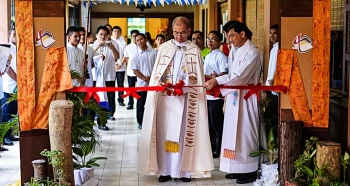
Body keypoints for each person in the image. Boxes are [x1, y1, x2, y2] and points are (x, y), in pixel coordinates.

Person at [137, 16, 214, 183]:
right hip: (166, 99)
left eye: (183, 33)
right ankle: (165, 170)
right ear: (173, 31)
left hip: (186, 99)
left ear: (188, 31)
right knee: (163, 133)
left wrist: (185, 85)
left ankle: (184, 172)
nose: (179, 36)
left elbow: (197, 77)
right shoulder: (164, 48)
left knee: (183, 134)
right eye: (176, 33)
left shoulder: (194, 49)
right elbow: (158, 74)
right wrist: (165, 84)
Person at [204, 22, 263, 184]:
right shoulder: (235, 51)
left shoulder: (253, 53)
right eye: (228, 36)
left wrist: (217, 81)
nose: (229, 39)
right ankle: (237, 168)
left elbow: (240, 76)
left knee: (245, 134)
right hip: (233, 98)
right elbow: (231, 73)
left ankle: (250, 170)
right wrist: (218, 79)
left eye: (232, 35)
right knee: (232, 134)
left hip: (246, 99)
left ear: (242, 34)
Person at [204, 30, 227, 159]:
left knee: (216, 122)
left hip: (216, 94)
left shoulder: (221, 56)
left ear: (219, 42)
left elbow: (224, 73)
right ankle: (211, 146)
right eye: (209, 39)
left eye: (213, 39)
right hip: (207, 93)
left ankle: (218, 148)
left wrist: (216, 77)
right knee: (208, 122)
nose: (210, 41)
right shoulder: (208, 55)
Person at [91, 25, 120, 128]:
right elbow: (90, 59)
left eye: (105, 35)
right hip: (95, 78)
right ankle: (91, 123)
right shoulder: (92, 45)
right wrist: (98, 46)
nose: (103, 37)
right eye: (100, 34)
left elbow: (117, 57)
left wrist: (112, 48)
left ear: (108, 35)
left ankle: (102, 123)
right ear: (96, 35)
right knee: (94, 100)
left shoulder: (114, 44)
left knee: (105, 101)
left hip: (109, 77)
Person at [130, 33, 157, 130]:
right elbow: (135, 70)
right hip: (142, 84)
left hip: (154, 83)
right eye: (137, 40)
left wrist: (152, 78)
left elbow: (158, 66)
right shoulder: (136, 56)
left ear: (145, 39)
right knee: (140, 104)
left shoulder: (154, 52)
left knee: (153, 104)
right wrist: (144, 78)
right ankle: (140, 122)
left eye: (141, 39)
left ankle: (152, 122)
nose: (140, 41)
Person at [1, 28, 18, 146]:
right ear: (9, 36)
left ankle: (11, 133)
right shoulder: (6, 49)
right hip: (9, 84)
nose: (16, 37)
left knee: (14, 112)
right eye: (14, 34)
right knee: (6, 112)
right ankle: (4, 136)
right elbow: (7, 68)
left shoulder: (20, 48)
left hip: (18, 85)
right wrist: (18, 79)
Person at [122, 29, 139, 110]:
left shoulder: (142, 46)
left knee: (140, 88)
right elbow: (127, 59)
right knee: (131, 88)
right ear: (131, 37)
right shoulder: (128, 47)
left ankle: (140, 103)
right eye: (133, 36)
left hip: (141, 72)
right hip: (131, 71)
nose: (135, 38)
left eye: (136, 36)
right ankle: (130, 103)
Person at [111, 26, 128, 106]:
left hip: (121, 66)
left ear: (120, 32)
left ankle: (121, 100)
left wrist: (120, 63)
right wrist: (114, 64)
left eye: (118, 31)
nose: (116, 33)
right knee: (111, 84)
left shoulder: (123, 42)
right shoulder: (110, 41)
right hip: (112, 66)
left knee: (120, 84)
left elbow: (125, 54)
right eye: (115, 31)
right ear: (112, 32)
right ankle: (111, 100)